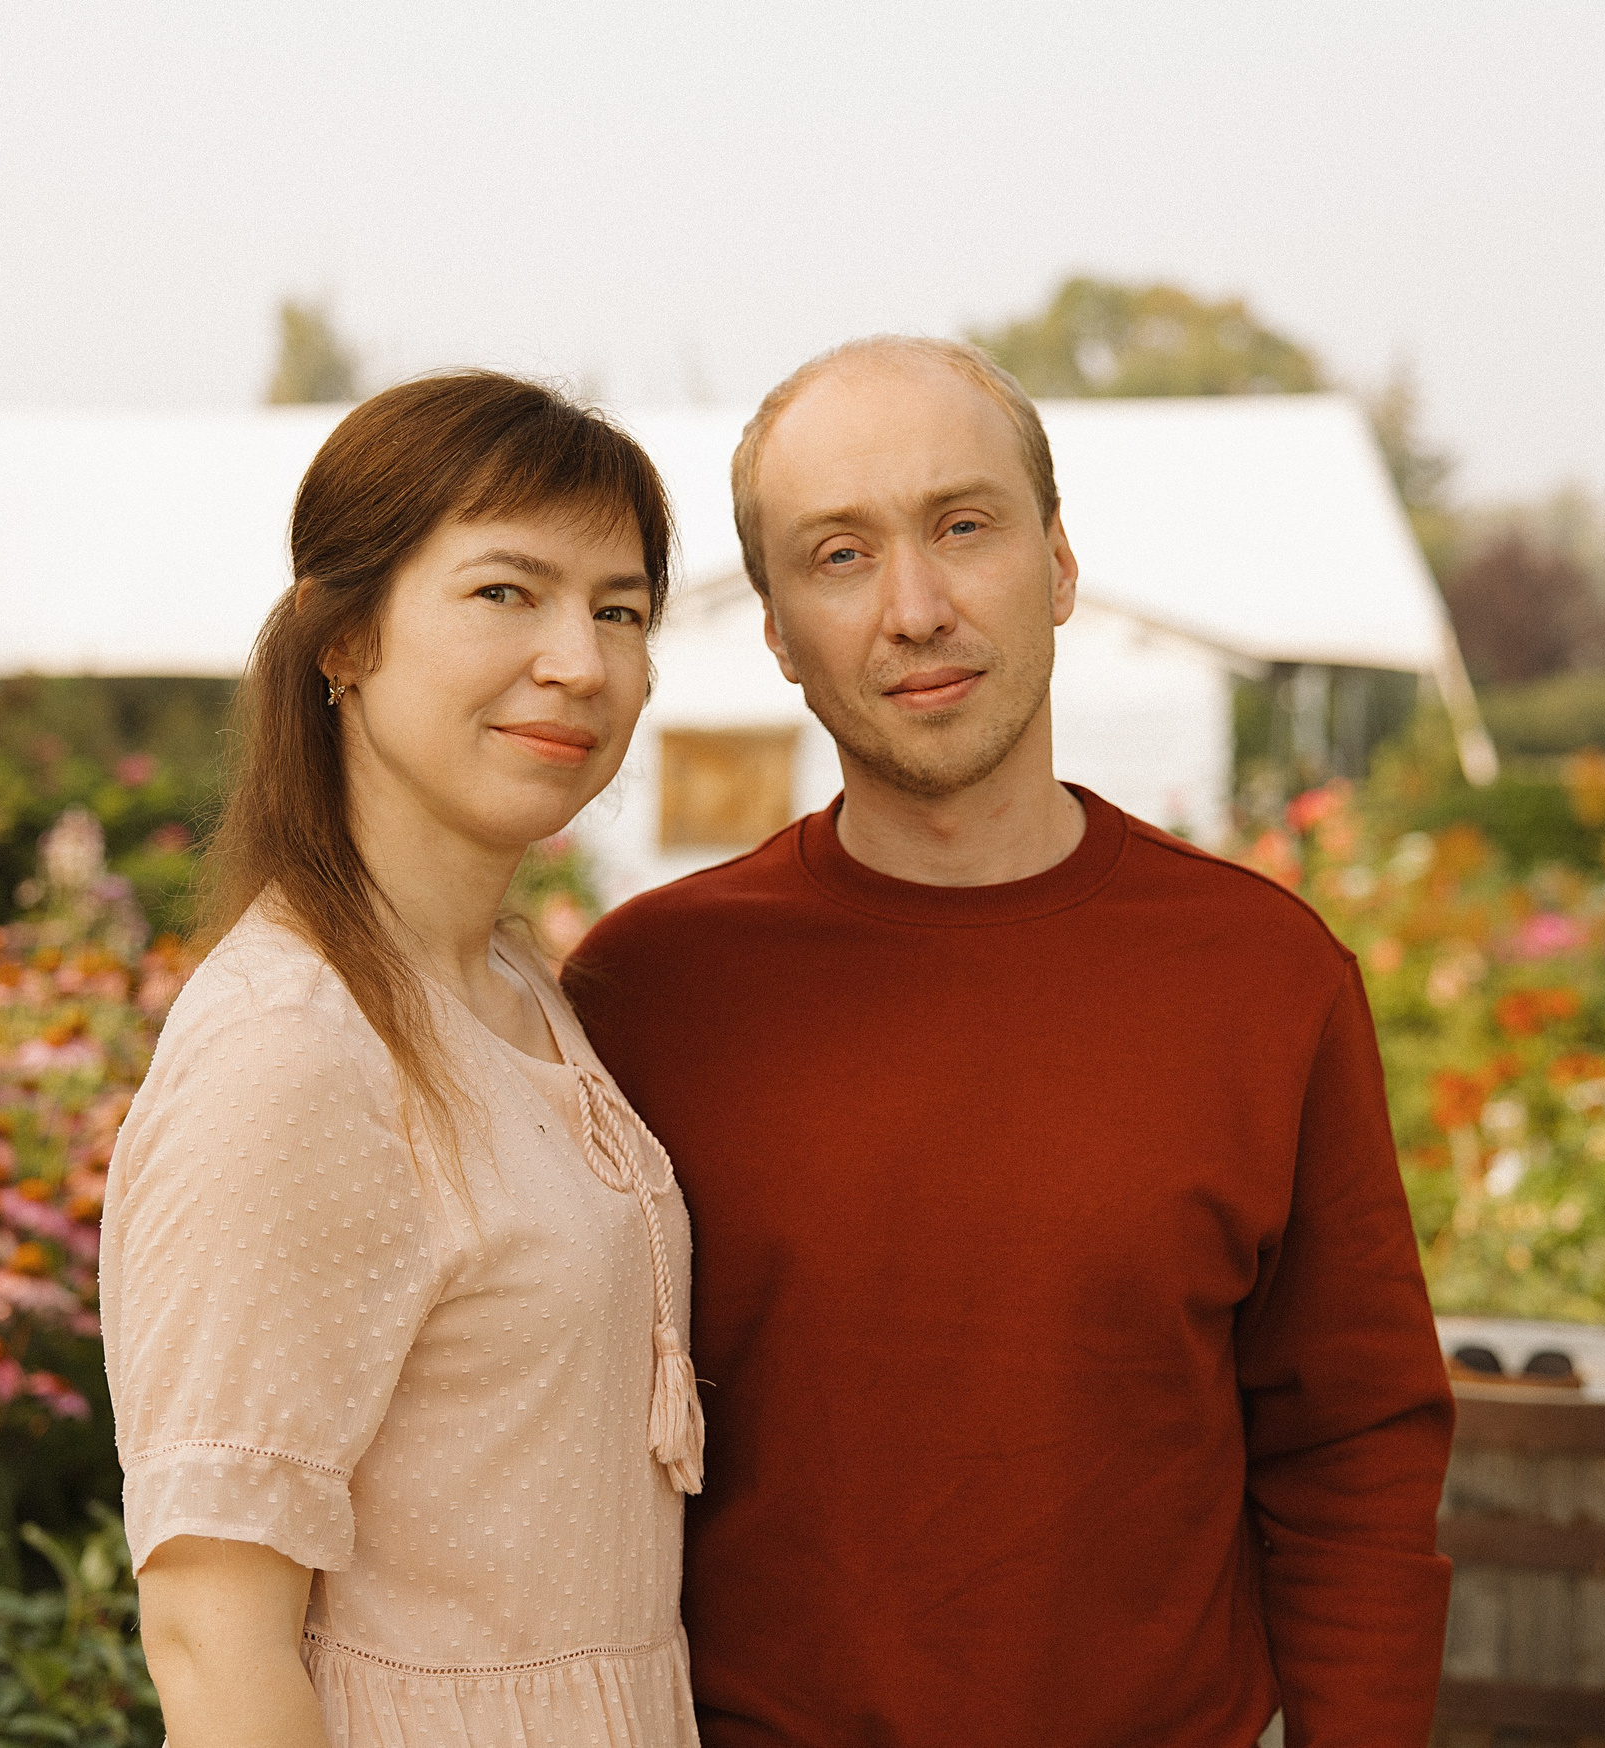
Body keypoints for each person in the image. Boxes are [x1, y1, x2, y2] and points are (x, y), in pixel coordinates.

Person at [563, 336, 1454, 1746]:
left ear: (1060, 564)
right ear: (780, 632)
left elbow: (1351, 1447)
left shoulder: (1261, 977)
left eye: (961, 527)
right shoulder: (647, 994)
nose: (915, 608)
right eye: (839, 556)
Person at [102, 372, 704, 1748]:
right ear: (345, 639)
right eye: (509, 593)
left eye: (620, 609)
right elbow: (211, 1637)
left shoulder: (519, 989)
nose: (581, 660)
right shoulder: (291, 1052)